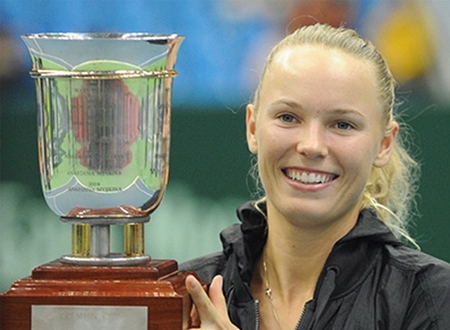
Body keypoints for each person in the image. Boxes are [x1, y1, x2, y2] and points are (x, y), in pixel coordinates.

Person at [181, 23, 450, 330]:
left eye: (342, 124)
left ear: (384, 144)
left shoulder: (431, 299)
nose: (311, 146)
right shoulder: (184, 293)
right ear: (253, 128)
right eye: (288, 117)